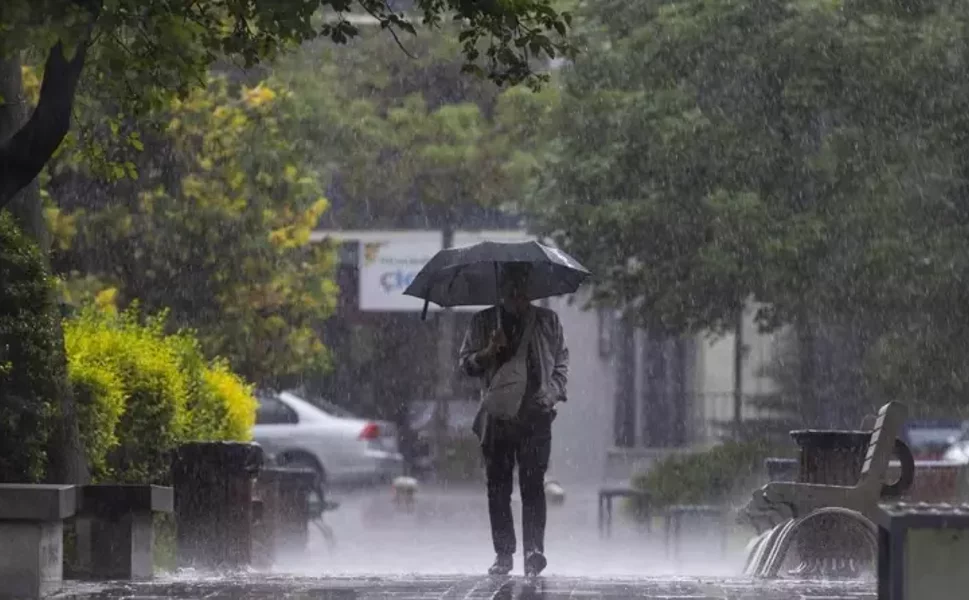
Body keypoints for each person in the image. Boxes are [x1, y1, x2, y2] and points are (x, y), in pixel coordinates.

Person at [458, 263, 570, 577]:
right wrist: (489, 352)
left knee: (533, 485)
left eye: (521, 285)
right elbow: (465, 365)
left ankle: (534, 552)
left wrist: (552, 394)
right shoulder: (483, 322)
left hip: (536, 415)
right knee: (498, 487)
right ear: (501, 288)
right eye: (510, 285)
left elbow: (562, 362)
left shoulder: (548, 321)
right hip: (498, 418)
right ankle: (504, 553)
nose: (516, 293)